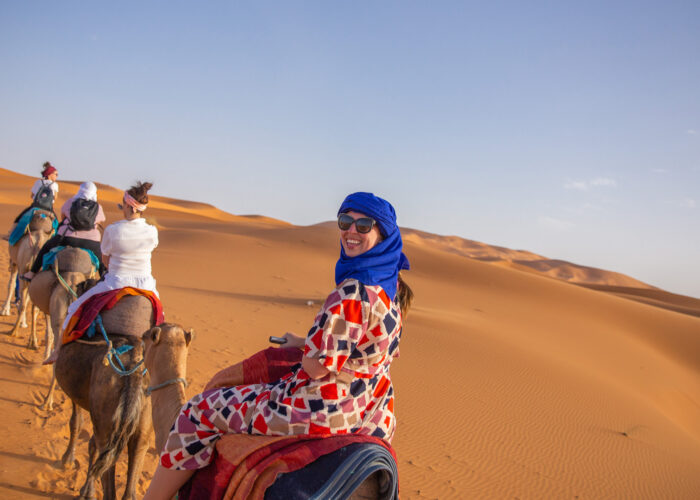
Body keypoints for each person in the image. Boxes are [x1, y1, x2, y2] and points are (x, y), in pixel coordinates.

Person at [144, 192, 413, 500]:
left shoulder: (353, 292)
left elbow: (317, 367)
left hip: (326, 408)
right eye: (345, 222)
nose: (351, 231)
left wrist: (309, 353)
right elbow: (366, 351)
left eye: (364, 225)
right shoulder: (389, 294)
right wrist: (303, 341)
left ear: (382, 234)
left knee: (198, 411)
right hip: (372, 411)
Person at [42, 181, 159, 364]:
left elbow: (105, 261)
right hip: (146, 285)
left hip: (116, 282)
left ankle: (57, 351)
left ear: (128, 205)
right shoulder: (152, 232)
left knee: (73, 308)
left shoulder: (113, 230)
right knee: (160, 321)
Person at [23, 181, 106, 281]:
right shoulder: (97, 207)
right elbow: (100, 221)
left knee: (46, 248)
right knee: (102, 260)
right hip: (90, 242)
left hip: (67, 238)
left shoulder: (71, 201)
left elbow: (63, 216)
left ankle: (32, 273)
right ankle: (105, 280)